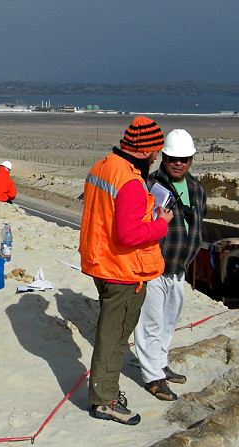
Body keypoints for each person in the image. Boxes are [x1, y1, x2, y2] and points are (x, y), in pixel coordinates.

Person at [79, 116, 173, 425]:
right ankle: (105, 399)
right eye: (156, 149)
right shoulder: (130, 181)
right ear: (147, 151)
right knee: (114, 337)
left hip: (101, 261)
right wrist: (161, 224)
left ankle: (103, 392)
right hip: (122, 270)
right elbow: (130, 235)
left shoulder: (103, 166)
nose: (158, 155)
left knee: (111, 331)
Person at [133, 129, 207, 393]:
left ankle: (160, 362)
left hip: (179, 268)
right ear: (164, 158)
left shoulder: (197, 189)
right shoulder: (149, 185)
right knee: (149, 323)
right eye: (173, 158)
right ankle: (152, 377)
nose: (179, 163)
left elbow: (198, 224)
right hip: (154, 267)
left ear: (191, 160)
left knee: (168, 321)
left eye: (184, 159)